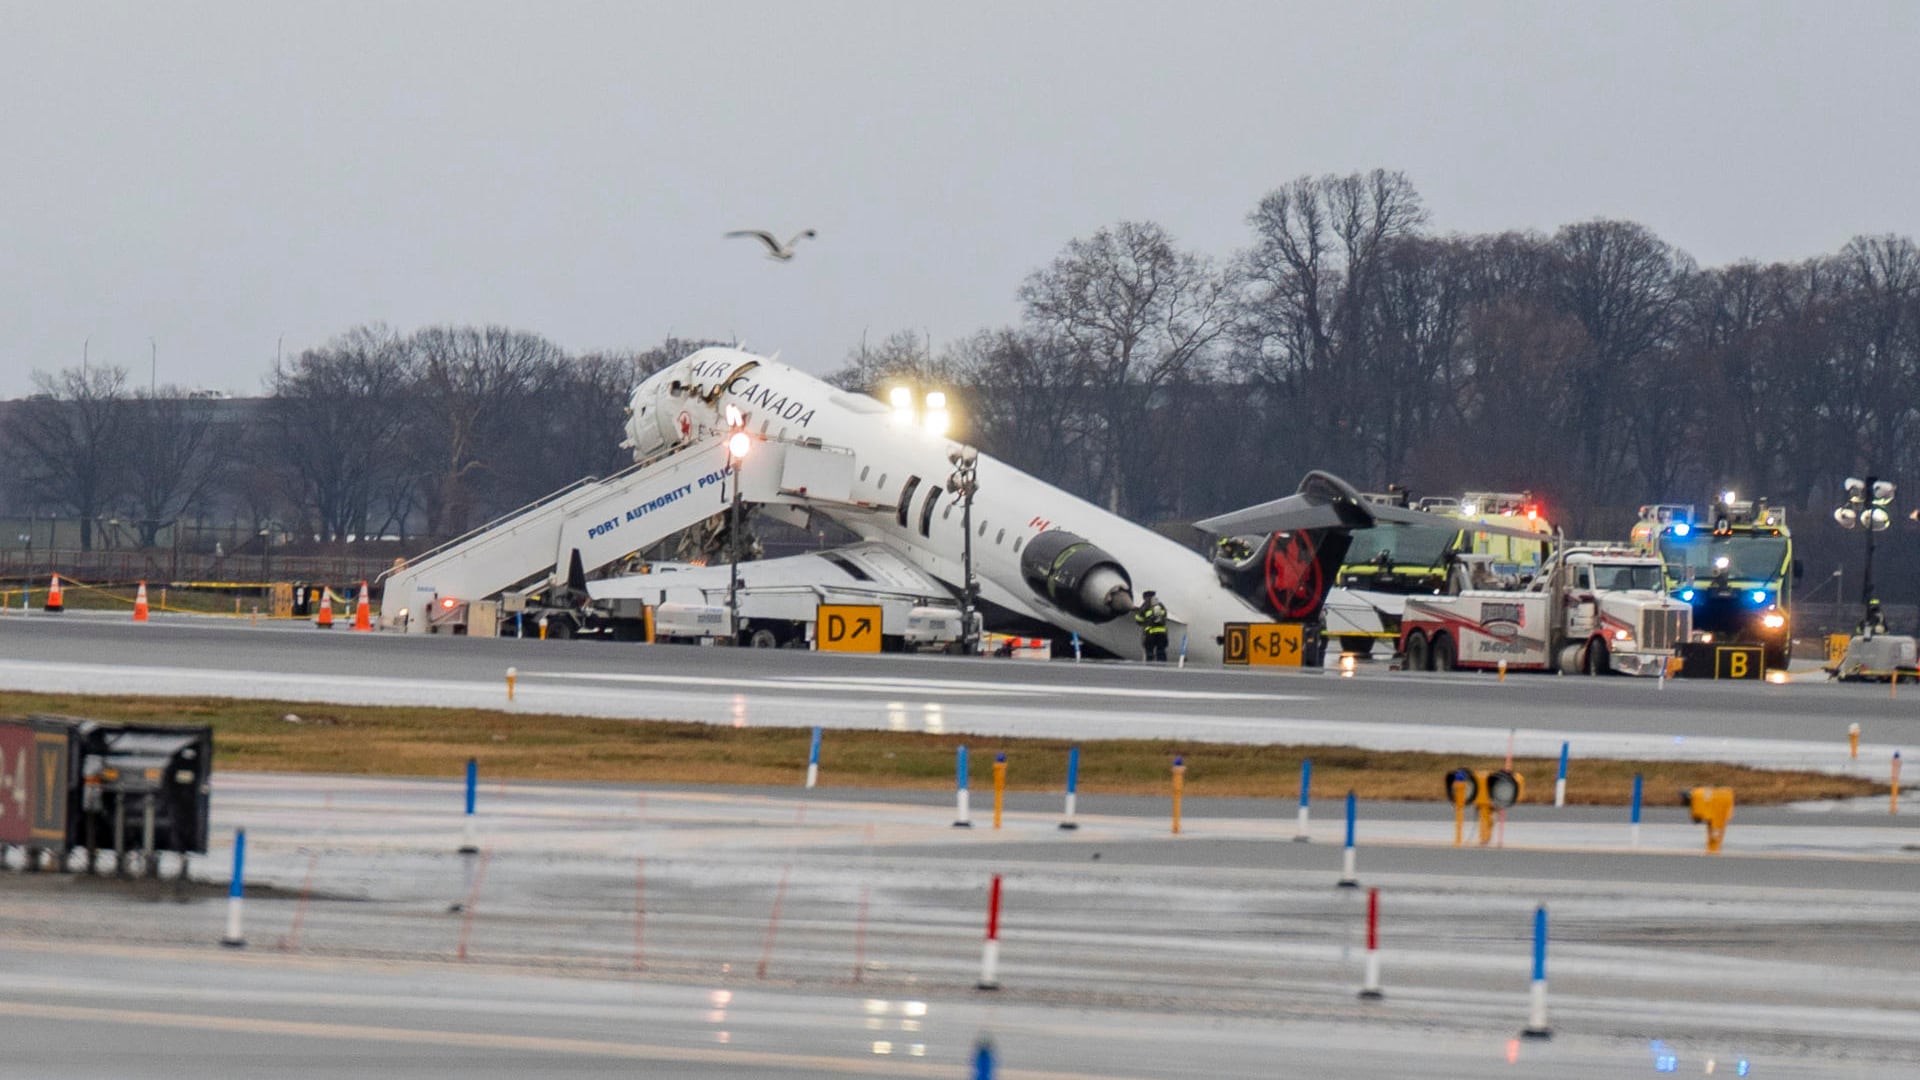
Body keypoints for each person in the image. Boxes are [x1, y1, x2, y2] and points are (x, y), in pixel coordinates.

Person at [1134, 590, 1169, 661]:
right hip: (1162, 633)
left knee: (1149, 653)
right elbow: (1165, 615)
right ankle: (1162, 668)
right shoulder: (1160, 605)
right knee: (1161, 651)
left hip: (1150, 633)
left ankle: (1150, 668)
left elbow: (1138, 620)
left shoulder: (1145, 605)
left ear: (1145, 597)